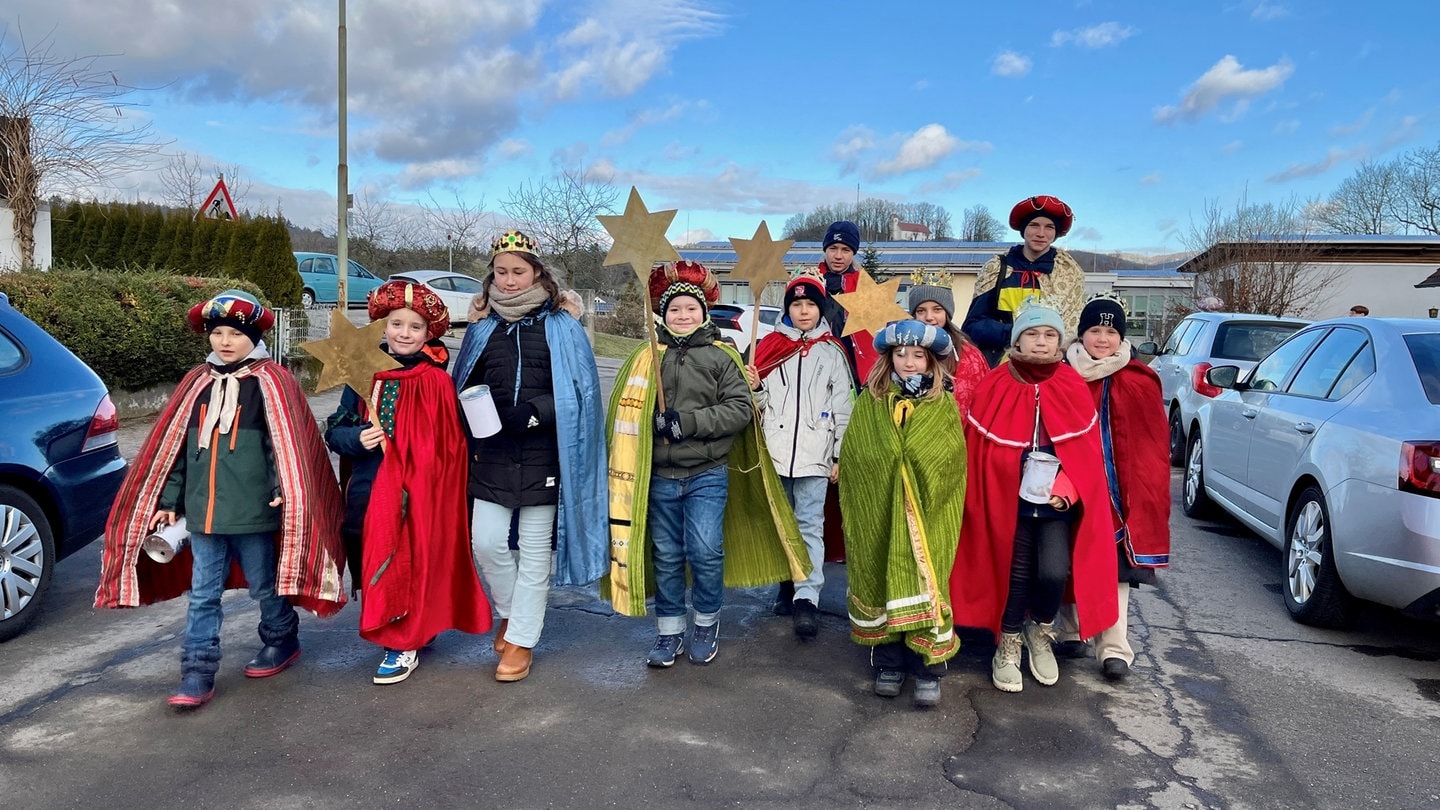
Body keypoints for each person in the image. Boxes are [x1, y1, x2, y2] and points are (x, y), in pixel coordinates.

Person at [96, 289, 347, 710]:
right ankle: (197, 670)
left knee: (264, 586)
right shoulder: (197, 383)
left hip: (254, 513)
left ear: (253, 336)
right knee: (203, 594)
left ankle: (281, 638)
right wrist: (171, 498)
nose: (225, 341)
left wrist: (282, 488)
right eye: (217, 333)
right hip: (202, 515)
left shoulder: (273, 381)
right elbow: (174, 449)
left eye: (234, 333)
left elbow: (286, 448)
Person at [603, 260, 809, 667]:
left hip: (706, 474)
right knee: (666, 553)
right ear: (663, 314)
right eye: (675, 309)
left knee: (704, 550)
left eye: (691, 309)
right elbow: (623, 413)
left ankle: (705, 622)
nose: (683, 316)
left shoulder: (721, 357)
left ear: (703, 313)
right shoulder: (646, 358)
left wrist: (688, 424)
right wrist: (652, 422)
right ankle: (669, 631)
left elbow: (739, 410)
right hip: (659, 475)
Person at [451, 230, 609, 683]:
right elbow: (463, 383)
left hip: (545, 453)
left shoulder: (562, 327)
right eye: (501, 272)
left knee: (536, 553)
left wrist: (533, 414)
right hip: (493, 451)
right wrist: (476, 410)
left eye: (519, 272)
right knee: (487, 542)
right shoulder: (483, 329)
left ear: (538, 273)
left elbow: (580, 394)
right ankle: (510, 611)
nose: (510, 280)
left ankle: (521, 639)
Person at [325, 280, 492, 685]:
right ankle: (406, 627)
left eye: (414, 327)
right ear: (382, 326)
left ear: (427, 333)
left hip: (420, 490)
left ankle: (402, 643)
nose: (404, 333)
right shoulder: (364, 375)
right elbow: (335, 429)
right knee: (381, 555)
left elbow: (450, 442)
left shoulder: (435, 380)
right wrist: (356, 438)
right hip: (370, 485)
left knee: (413, 557)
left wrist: (427, 472)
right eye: (396, 323)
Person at [951, 301, 1117, 694]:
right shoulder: (995, 383)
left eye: (1049, 335)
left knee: (1054, 572)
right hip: (1007, 500)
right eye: (1032, 334)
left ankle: (1038, 630)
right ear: (1017, 340)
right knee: (1014, 571)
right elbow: (978, 451)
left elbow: (1087, 454)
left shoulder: (1072, 384)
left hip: (1055, 502)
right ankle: (1007, 643)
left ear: (1060, 342)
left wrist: (1069, 487)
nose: (1040, 343)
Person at [839, 319, 966, 708]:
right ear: (888, 357)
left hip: (928, 509)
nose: (908, 362)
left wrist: (914, 462)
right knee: (880, 570)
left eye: (917, 355)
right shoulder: (872, 400)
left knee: (926, 574)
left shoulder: (942, 404)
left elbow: (950, 457)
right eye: (900, 354)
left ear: (932, 361)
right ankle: (889, 662)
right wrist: (888, 461)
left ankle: (927, 665)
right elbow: (857, 452)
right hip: (878, 503)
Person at [1056, 295, 1170, 681]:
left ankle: (1114, 647)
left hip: (1119, 489)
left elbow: (1152, 444)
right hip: (1071, 482)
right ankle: (1072, 631)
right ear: (1081, 334)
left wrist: (1142, 490)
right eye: (1094, 331)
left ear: (1121, 336)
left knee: (1115, 567)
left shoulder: (1138, 378)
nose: (1102, 339)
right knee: (1069, 555)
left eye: (1110, 331)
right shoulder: (1062, 374)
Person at [744, 270, 853, 638]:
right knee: (779, 523)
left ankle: (807, 597)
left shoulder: (832, 351)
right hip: (774, 455)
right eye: (796, 304)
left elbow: (843, 408)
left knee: (809, 524)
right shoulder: (769, 346)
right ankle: (785, 583)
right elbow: (759, 407)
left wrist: (838, 455)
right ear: (787, 308)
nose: (803, 311)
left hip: (815, 456)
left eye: (810, 304)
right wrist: (755, 388)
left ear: (819, 308)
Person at [963, 195, 1087, 367]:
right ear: (1023, 229)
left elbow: (1072, 331)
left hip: (1051, 367)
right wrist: (1016, 333)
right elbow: (972, 326)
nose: (1041, 233)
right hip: (1000, 367)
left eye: (1049, 227)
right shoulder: (997, 269)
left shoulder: (1069, 273)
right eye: (1034, 225)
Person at [907, 281, 990, 415]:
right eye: (921, 311)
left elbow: (970, 401)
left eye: (937, 309)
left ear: (947, 312)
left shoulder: (967, 354)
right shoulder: (902, 349)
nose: (929, 317)